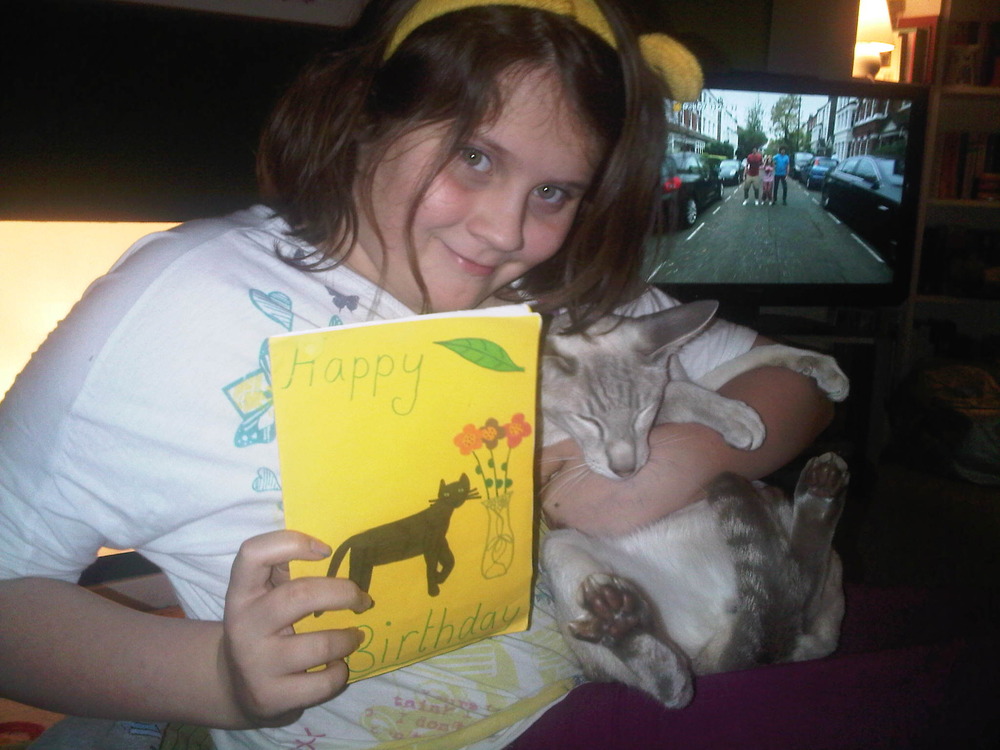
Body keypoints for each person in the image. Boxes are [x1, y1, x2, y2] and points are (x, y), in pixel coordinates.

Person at [0, 1, 833, 748]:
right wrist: (218, 677)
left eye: (553, 192)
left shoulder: (566, 297)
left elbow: (801, 385)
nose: (505, 231)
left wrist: (653, 477)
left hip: (638, 682)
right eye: (474, 156)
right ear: (367, 117)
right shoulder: (181, 302)